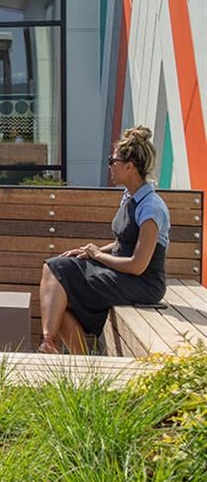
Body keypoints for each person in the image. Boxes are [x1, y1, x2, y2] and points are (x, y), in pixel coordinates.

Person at [39, 126, 169, 354]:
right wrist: (92, 251)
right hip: (121, 272)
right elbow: (123, 242)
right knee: (54, 266)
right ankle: (52, 344)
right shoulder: (130, 197)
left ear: (130, 166)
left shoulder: (151, 208)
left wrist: (98, 255)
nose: (110, 165)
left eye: (113, 160)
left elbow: (138, 265)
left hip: (143, 284)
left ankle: (69, 356)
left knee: (62, 292)